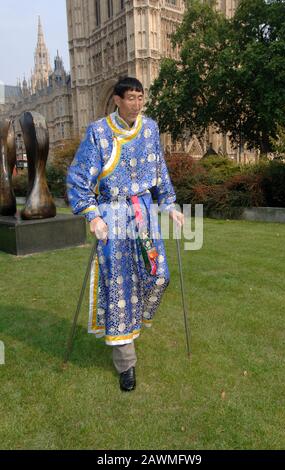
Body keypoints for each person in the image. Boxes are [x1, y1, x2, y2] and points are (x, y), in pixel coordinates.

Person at [67, 77, 184, 391]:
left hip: (143, 214)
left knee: (158, 275)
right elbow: (79, 178)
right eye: (131, 97)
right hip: (113, 216)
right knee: (120, 288)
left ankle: (132, 323)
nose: (137, 103)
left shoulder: (150, 129)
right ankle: (126, 363)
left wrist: (170, 204)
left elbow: (159, 169)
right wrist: (92, 215)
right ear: (116, 100)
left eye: (141, 97)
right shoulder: (98, 132)